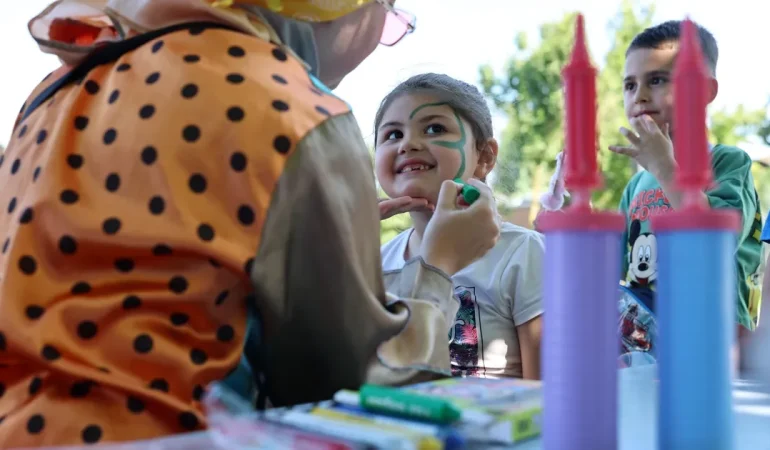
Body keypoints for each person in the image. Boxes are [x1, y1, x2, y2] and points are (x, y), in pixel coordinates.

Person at [0, 1, 502, 447]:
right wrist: (439, 266)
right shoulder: (293, 107)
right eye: (387, 12)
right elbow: (351, 389)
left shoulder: (61, 84)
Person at [374, 73, 544, 380]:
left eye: (434, 128)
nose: (408, 144)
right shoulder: (376, 260)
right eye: (392, 135)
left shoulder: (523, 252)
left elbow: (546, 396)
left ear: (485, 156)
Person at [610, 21, 763, 348]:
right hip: (648, 343)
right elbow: (614, 268)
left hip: (716, 341)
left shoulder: (728, 163)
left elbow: (716, 238)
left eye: (657, 80)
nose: (640, 95)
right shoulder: (635, 185)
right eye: (629, 85)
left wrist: (665, 168)